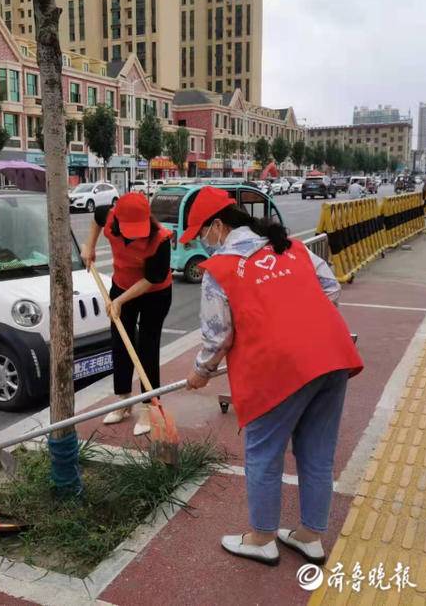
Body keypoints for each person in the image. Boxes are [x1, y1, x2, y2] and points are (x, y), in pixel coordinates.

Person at [181, 187, 363, 566]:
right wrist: (303, 327)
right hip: (331, 358)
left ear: (218, 225)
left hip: (278, 369)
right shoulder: (291, 248)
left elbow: (218, 337)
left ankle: (262, 537)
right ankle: (310, 536)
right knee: (317, 452)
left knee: (263, 453)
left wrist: (200, 374)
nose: (202, 242)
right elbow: (330, 287)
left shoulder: (220, 270)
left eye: (201, 233)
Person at [81, 192, 173, 435]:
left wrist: (119, 300)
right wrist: (89, 246)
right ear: (118, 219)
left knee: (147, 346)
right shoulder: (110, 218)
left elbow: (152, 278)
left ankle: (148, 407)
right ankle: (123, 401)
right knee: (120, 341)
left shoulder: (161, 239)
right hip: (121, 283)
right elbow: (97, 219)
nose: (135, 233)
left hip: (155, 292)